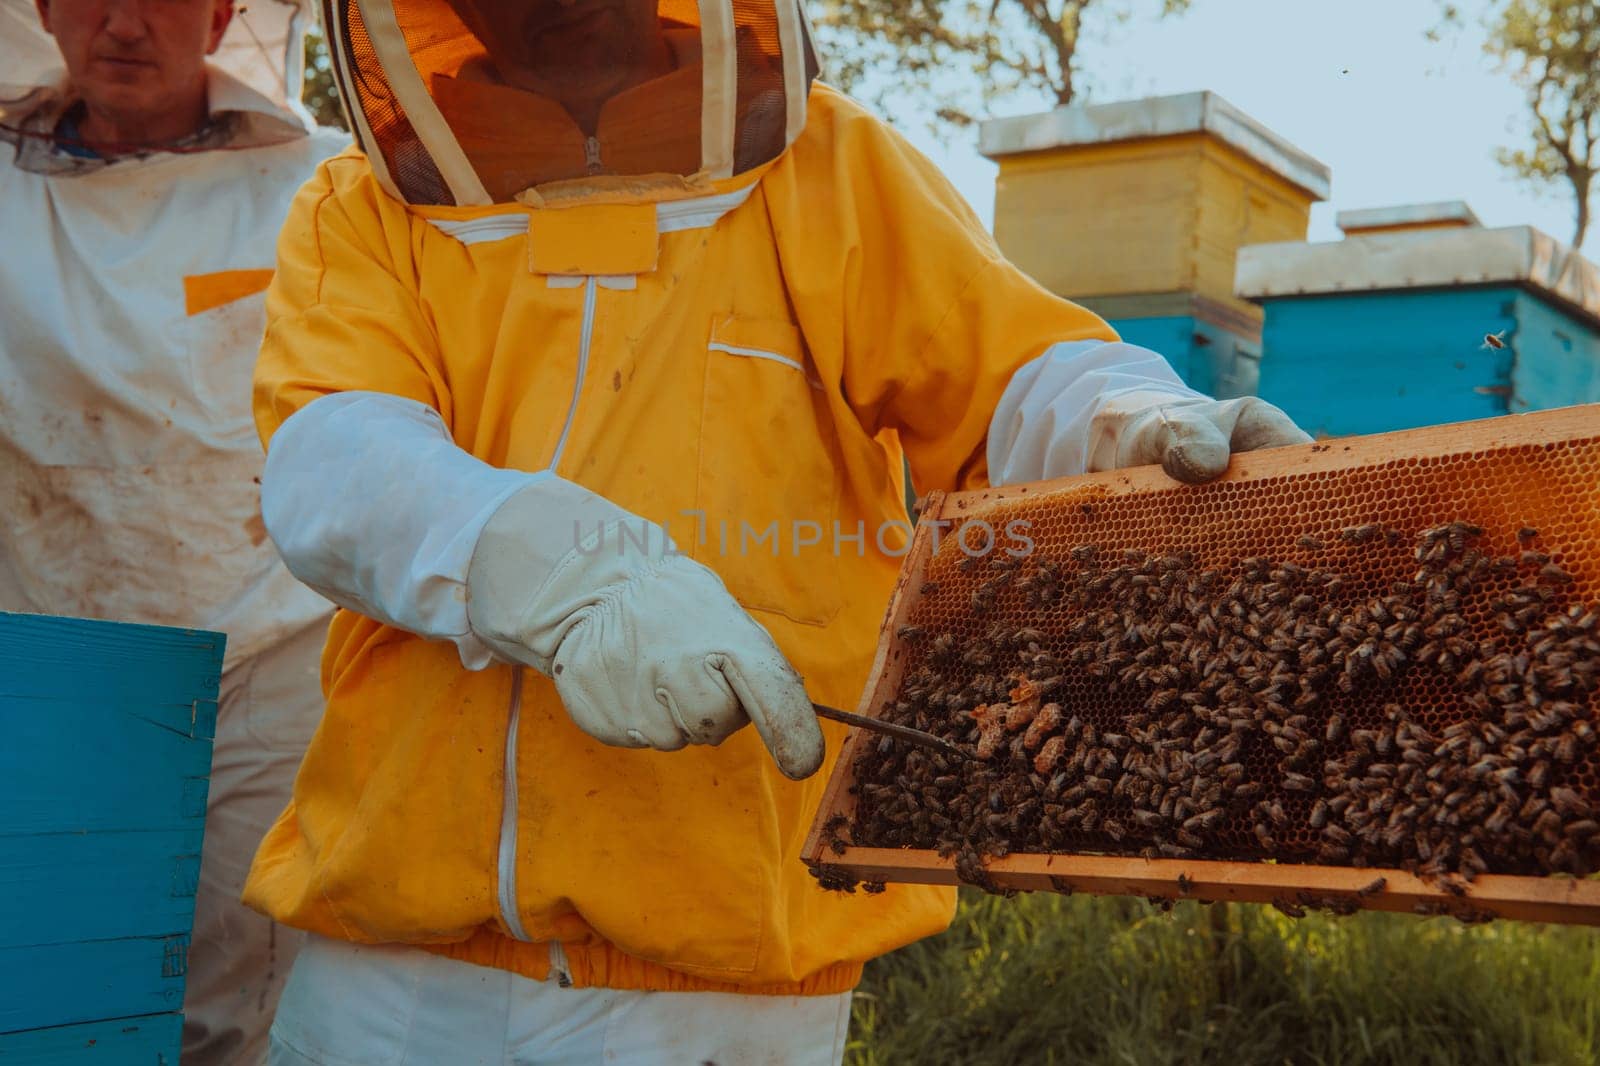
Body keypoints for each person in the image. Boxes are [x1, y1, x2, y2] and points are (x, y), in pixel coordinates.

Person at [246, 0, 1311, 1061]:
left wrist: (1116, 422)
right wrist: (570, 577)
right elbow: (332, 455)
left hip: (725, 990)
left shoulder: (830, 168)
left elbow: (1008, 377)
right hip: (390, 984)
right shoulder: (361, 203)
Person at [0, 1, 347, 1062]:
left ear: (219, 14)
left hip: (273, 644)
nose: (122, 23)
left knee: (232, 996)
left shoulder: (321, 180)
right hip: (60, 633)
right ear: (47, 12)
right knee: (61, 1002)